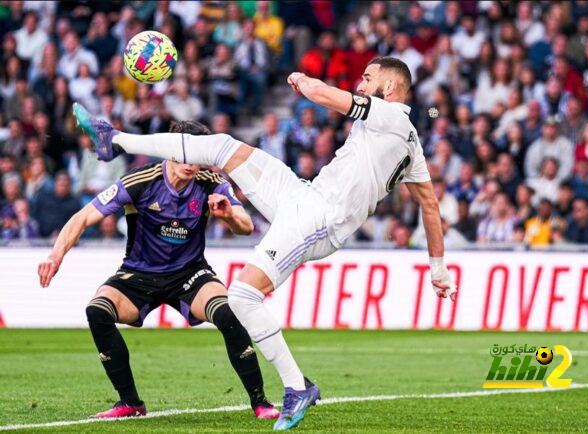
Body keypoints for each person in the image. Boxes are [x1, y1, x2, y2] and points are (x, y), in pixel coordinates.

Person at [73, 56, 456, 430]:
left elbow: (324, 95)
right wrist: (438, 269)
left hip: (321, 219)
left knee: (240, 297)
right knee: (222, 146)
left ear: (389, 87)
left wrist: (305, 82)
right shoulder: (411, 144)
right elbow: (430, 204)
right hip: (301, 196)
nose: (360, 84)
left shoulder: (389, 115)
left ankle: (296, 387)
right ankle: (116, 140)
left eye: (367, 78)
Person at [36, 121, 278, 421]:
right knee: (97, 311)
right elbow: (83, 218)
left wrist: (228, 214)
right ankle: (130, 402)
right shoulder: (139, 181)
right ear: (168, 150)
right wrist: (55, 256)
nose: (190, 163)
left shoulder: (210, 182)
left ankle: (261, 402)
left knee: (227, 312)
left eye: (196, 155)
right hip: (138, 275)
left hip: (190, 275)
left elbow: (246, 225)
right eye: (183, 154)